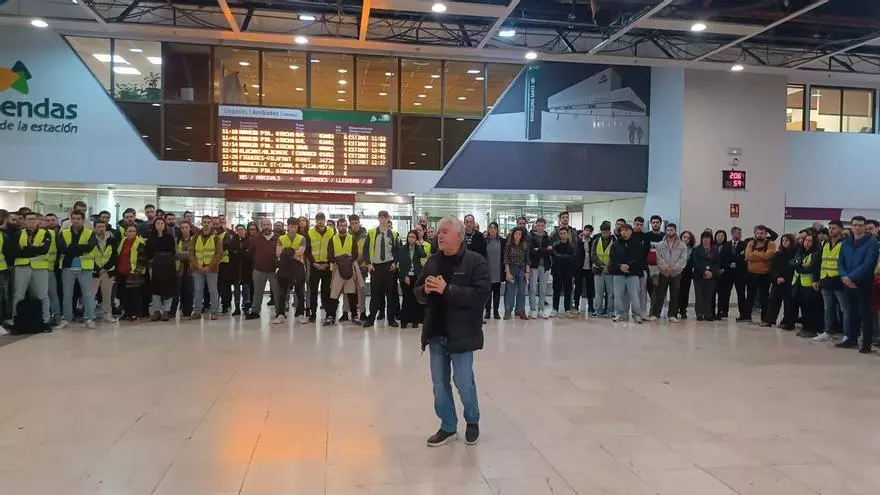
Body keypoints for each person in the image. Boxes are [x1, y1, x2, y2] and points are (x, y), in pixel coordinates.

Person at [415, 216, 489, 447]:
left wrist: (448, 289)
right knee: (439, 384)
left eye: (446, 231)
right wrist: (425, 290)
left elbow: (480, 296)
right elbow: (417, 291)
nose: (441, 235)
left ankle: (472, 420)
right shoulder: (433, 262)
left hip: (462, 334)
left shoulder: (475, 262)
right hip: (436, 332)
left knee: (463, 381)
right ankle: (448, 426)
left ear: (459, 236)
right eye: (439, 232)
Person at [836, 216, 879, 352]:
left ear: (864, 227)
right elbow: (840, 261)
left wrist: (852, 277)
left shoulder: (871, 242)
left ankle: (866, 344)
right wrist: (844, 276)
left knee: (864, 313)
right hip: (847, 282)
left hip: (863, 282)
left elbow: (868, 262)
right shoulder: (846, 242)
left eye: (860, 225)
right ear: (852, 226)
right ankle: (852, 339)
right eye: (855, 225)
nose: (857, 227)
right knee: (852, 312)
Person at [9, 212, 53, 330]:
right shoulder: (18, 233)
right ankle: (15, 320)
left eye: (34, 219)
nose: (32, 221)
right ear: (24, 220)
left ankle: (46, 320)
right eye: (29, 219)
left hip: (40, 268)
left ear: (38, 220)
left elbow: (44, 250)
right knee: (18, 295)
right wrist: (35, 249)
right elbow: (15, 251)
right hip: (22, 267)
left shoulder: (46, 233)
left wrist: (26, 249)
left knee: (43, 295)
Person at [57, 210, 98, 329]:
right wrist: (80, 248)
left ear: (83, 220)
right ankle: (66, 318)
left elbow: (90, 247)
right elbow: (62, 248)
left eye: (78, 218)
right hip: (68, 267)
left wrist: (72, 248)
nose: (75, 221)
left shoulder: (90, 233)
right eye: (73, 218)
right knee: (67, 295)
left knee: (87, 294)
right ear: (71, 219)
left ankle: (89, 318)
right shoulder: (64, 233)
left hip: (85, 267)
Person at [363, 211, 400, 328]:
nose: (383, 220)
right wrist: (368, 263)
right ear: (378, 218)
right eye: (381, 217)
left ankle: (390, 319)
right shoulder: (372, 232)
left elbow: (397, 250)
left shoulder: (393, 234)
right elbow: (365, 249)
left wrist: (395, 262)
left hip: (388, 266)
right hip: (376, 266)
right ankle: (371, 318)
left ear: (388, 218)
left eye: (385, 217)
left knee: (390, 294)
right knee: (375, 294)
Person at [649, 222, 687, 322]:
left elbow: (683, 259)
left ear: (675, 231)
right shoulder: (660, 245)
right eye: (668, 230)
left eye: (671, 230)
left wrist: (674, 267)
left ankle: (672, 315)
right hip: (663, 273)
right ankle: (655, 314)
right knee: (659, 295)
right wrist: (665, 267)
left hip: (676, 273)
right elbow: (658, 258)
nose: (669, 232)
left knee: (675, 295)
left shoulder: (682, 246)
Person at [815, 220, 846, 342]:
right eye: (830, 227)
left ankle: (847, 334)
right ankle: (827, 332)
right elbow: (820, 262)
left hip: (839, 279)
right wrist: (817, 278)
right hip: (825, 279)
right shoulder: (824, 244)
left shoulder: (845, 243)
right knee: (828, 308)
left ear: (841, 229)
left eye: (834, 228)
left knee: (845, 309)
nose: (831, 230)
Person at [247, 218, 283, 322]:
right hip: (259, 270)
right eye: (264, 225)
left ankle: (279, 312)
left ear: (271, 226)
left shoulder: (278, 238)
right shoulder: (256, 238)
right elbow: (251, 253)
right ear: (261, 226)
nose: (266, 227)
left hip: (274, 270)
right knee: (257, 292)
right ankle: (255, 311)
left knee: (277, 292)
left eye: (268, 224)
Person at [189, 217, 222, 320]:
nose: (206, 224)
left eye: (208, 222)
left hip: (212, 269)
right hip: (197, 269)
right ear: (201, 223)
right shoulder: (195, 237)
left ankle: (214, 312)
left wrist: (209, 266)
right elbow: (191, 253)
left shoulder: (216, 238)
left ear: (211, 224)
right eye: (204, 222)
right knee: (198, 290)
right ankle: (197, 312)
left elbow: (219, 253)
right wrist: (197, 265)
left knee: (213, 290)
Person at [610, 224, 644, 323]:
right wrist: (620, 266)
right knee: (618, 295)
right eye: (622, 230)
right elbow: (613, 259)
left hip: (632, 273)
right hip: (618, 273)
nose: (624, 232)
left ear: (630, 231)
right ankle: (619, 314)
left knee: (634, 295)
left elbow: (639, 258)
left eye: (626, 230)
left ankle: (636, 315)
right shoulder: (616, 244)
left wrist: (628, 265)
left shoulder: (636, 244)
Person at [146, 217, 177, 321]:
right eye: (158, 223)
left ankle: (166, 311)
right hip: (155, 267)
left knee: (168, 288)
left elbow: (173, 251)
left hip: (168, 266)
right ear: (154, 225)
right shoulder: (151, 238)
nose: (160, 225)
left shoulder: (169, 237)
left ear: (164, 225)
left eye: (162, 223)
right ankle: (157, 311)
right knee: (156, 289)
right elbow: (148, 252)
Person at [744, 225, 777, 323]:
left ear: (766, 234)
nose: (759, 235)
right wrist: (762, 256)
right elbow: (748, 256)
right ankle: (747, 316)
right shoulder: (750, 243)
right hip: (751, 274)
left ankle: (765, 318)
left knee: (764, 298)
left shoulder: (771, 244)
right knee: (750, 296)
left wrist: (756, 254)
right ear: (755, 234)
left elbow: (769, 255)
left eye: (761, 233)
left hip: (765, 274)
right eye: (757, 233)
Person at [763, 234, 797, 329]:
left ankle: (787, 322)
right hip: (777, 281)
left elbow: (793, 269)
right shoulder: (778, 254)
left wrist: (785, 278)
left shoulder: (795, 254)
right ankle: (769, 320)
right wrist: (776, 278)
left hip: (788, 282)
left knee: (788, 303)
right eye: (783, 240)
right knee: (773, 300)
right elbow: (773, 267)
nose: (784, 242)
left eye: (787, 240)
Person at [792, 233, 822, 338]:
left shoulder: (816, 253)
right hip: (800, 283)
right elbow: (793, 263)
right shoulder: (802, 252)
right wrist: (799, 266)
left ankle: (811, 329)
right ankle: (805, 328)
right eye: (805, 240)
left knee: (811, 308)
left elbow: (812, 268)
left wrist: (799, 267)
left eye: (810, 240)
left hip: (810, 285)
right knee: (803, 307)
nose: (807, 242)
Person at [307, 213, 334, 323]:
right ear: (316, 220)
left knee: (326, 291)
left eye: (322, 219)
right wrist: (314, 263)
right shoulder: (310, 232)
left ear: (325, 220)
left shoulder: (331, 232)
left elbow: (334, 249)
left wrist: (328, 262)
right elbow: (308, 250)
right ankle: (313, 313)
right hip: (315, 265)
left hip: (327, 266)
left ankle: (328, 313)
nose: (320, 222)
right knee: (313, 291)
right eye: (318, 220)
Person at [115, 225, 147, 322]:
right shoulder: (123, 241)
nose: (132, 233)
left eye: (134, 231)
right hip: (122, 272)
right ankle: (126, 312)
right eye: (130, 231)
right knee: (124, 294)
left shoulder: (139, 243)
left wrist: (137, 272)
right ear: (126, 232)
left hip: (134, 273)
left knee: (135, 295)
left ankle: (135, 313)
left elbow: (143, 260)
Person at [397, 229, 426, 328]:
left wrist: (418, 245)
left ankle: (415, 321)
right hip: (406, 276)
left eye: (413, 237)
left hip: (416, 276)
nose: (411, 239)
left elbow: (423, 255)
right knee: (406, 298)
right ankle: (404, 321)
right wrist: (405, 275)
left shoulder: (418, 248)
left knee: (415, 299)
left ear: (416, 238)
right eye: (409, 237)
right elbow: (402, 264)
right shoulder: (402, 249)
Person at [91, 220, 118, 323]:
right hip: (94, 271)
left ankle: (108, 314)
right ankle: (89, 315)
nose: (101, 228)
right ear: (94, 228)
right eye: (99, 226)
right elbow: (88, 255)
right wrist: (97, 268)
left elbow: (114, 256)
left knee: (107, 294)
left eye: (103, 226)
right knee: (91, 294)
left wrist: (105, 268)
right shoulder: (91, 240)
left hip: (108, 271)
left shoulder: (112, 240)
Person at [527, 218, 552, 319]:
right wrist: (544, 250)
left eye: (542, 225)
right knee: (532, 288)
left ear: (544, 226)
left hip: (545, 266)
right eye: (539, 225)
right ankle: (533, 309)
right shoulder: (531, 237)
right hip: (534, 266)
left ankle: (541, 309)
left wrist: (539, 250)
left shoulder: (548, 237)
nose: (540, 227)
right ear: (535, 226)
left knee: (542, 289)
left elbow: (550, 251)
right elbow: (531, 251)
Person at [692, 231, 719, 321]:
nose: (706, 240)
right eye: (704, 238)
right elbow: (695, 262)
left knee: (708, 296)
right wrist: (704, 272)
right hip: (699, 276)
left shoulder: (714, 249)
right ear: (701, 239)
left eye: (708, 238)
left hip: (711, 277)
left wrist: (711, 272)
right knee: (699, 296)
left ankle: (708, 314)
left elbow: (717, 263)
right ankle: (699, 314)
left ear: (711, 239)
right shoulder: (696, 249)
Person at [503, 228, 529, 320]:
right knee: (510, 290)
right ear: (513, 235)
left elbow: (527, 260)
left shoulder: (524, 245)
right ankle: (508, 310)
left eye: (519, 234)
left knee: (522, 291)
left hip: (522, 269)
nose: (518, 236)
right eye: (516, 234)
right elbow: (506, 260)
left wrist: (527, 272)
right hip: (511, 269)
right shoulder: (509, 245)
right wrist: (507, 273)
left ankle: (520, 310)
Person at [591, 222, 615, 317]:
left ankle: (610, 310)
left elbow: (615, 257)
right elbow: (593, 255)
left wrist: (608, 267)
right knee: (598, 292)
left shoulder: (614, 242)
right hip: (598, 270)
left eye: (607, 232)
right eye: (603, 232)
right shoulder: (596, 241)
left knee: (610, 293)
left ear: (610, 232)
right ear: (601, 232)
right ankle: (598, 310)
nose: (605, 234)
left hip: (609, 271)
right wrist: (602, 266)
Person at [227, 224, 252, 316]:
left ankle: (246, 306)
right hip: (235, 269)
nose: (240, 231)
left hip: (246, 269)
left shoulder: (249, 241)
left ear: (245, 230)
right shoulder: (233, 241)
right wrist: (242, 252)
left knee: (246, 288)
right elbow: (232, 251)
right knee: (236, 289)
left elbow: (249, 254)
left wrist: (240, 252)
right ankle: (237, 307)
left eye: (242, 229)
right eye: (238, 230)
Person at [551, 226, 576, 317]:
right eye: (561, 233)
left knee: (567, 291)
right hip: (557, 271)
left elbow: (572, 258)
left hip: (568, 272)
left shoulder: (572, 246)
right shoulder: (555, 245)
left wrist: (561, 257)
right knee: (556, 291)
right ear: (559, 235)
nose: (563, 235)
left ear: (567, 234)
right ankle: (555, 309)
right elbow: (554, 257)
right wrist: (565, 257)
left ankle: (567, 309)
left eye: (564, 233)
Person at [174, 220, 195, 318]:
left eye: (186, 227)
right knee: (179, 291)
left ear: (190, 228)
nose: (185, 229)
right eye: (182, 228)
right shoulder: (177, 240)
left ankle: (188, 310)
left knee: (189, 291)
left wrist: (184, 255)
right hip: (180, 269)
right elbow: (175, 254)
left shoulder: (194, 240)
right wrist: (188, 255)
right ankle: (180, 308)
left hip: (191, 270)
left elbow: (194, 254)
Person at [483, 222, 505, 320]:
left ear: (497, 229)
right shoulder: (484, 241)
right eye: (491, 228)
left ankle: (496, 312)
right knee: (488, 293)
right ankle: (488, 311)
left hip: (498, 270)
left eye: (494, 228)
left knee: (496, 292)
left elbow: (504, 255)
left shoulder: (501, 241)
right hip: (487, 270)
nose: (492, 230)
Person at [711, 230, 734, 319]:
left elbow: (731, 260)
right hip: (713, 274)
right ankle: (712, 312)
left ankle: (720, 312)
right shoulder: (712, 246)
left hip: (724, 274)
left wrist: (724, 269)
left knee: (722, 295)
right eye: (718, 235)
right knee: (712, 294)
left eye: (722, 236)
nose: (719, 237)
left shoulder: (728, 247)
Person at [574, 225, 595, 316]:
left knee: (590, 288)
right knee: (578, 287)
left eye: (590, 231)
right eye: (586, 230)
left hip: (589, 268)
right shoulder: (578, 241)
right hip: (579, 268)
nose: (588, 232)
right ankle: (576, 305)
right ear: (583, 230)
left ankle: (590, 305)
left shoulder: (593, 241)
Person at [729, 227, 749, 322]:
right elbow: (724, 257)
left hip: (740, 273)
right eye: (737, 233)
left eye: (740, 233)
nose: (739, 235)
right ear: (732, 234)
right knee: (725, 293)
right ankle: (723, 312)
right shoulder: (727, 245)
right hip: (728, 273)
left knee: (741, 294)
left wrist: (737, 262)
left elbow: (744, 257)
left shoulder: (745, 245)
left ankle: (743, 314)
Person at [677, 231, 695, 319]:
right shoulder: (676, 247)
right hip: (676, 273)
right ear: (681, 238)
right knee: (676, 292)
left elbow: (692, 262)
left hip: (687, 273)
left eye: (688, 238)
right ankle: (674, 310)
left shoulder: (693, 249)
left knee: (685, 292)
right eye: (684, 237)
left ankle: (683, 310)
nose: (686, 239)